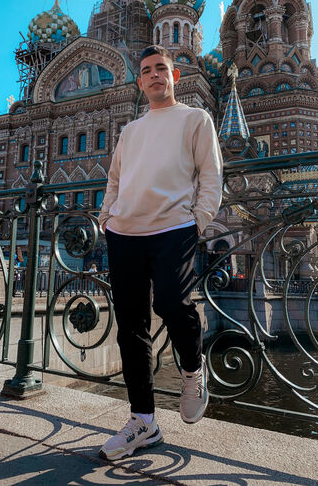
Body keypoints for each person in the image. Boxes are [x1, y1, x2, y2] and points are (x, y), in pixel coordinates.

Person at [98, 45, 223, 461]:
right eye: (147, 70)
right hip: (124, 232)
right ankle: (143, 422)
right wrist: (107, 217)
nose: (154, 75)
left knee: (172, 302)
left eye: (161, 69)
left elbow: (211, 174)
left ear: (174, 76)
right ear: (140, 81)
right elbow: (115, 179)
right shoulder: (131, 131)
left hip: (174, 227)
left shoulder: (195, 118)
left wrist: (198, 220)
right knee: (130, 327)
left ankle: (192, 369)